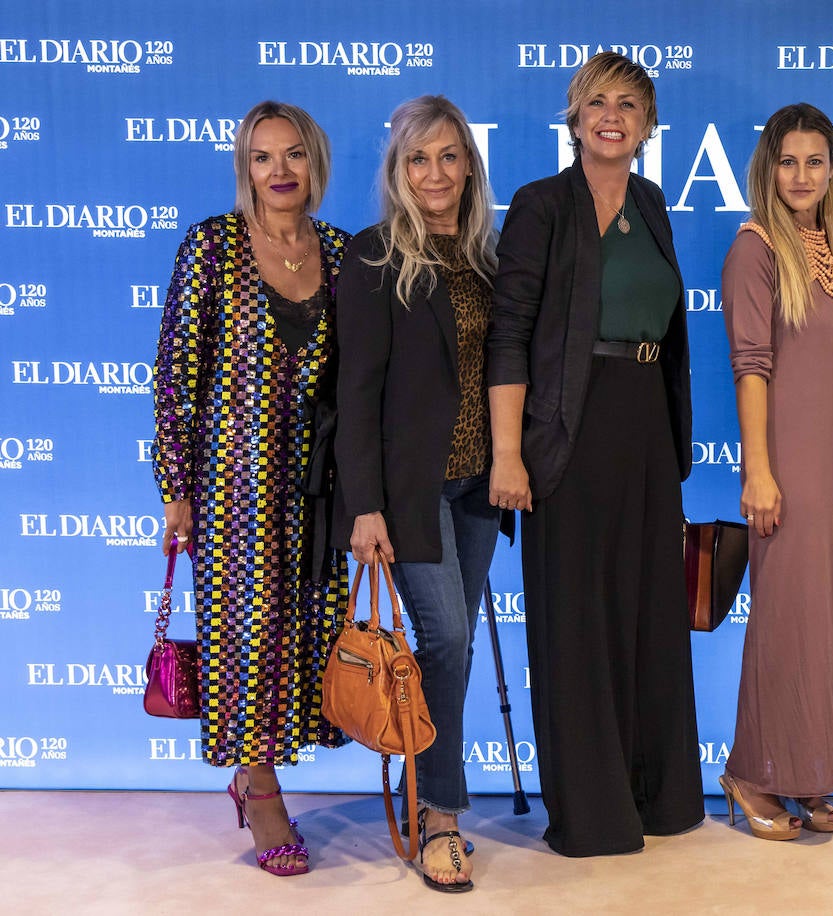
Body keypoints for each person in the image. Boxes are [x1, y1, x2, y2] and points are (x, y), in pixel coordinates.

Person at [486, 51, 704, 857]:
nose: (613, 115)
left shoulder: (651, 203)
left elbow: (669, 325)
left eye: (630, 104)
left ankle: (660, 796)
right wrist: (509, 453)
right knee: (576, 622)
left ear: (647, 126)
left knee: (648, 614)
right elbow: (509, 335)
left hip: (647, 428)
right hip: (566, 435)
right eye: (597, 102)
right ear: (575, 118)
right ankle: (594, 811)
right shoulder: (543, 205)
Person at [152, 100, 350, 877]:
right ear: (245, 167)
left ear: (315, 163)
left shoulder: (339, 252)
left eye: (293, 155)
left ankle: (270, 762)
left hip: (319, 479)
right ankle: (258, 785)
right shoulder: (213, 246)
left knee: (306, 628)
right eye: (263, 157)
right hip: (233, 481)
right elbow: (174, 377)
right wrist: (177, 489)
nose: (280, 172)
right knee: (245, 633)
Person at [334, 95, 506, 892]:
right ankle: (441, 817)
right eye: (418, 158)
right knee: (445, 642)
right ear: (398, 170)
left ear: (468, 163)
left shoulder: (489, 255)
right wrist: (363, 503)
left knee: (451, 651)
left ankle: (430, 796)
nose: (435, 172)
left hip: (479, 488)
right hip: (410, 492)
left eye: (448, 156)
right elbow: (356, 391)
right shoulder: (372, 257)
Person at [718, 103, 833, 840]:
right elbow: (751, 368)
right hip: (790, 468)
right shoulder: (754, 248)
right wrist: (759, 471)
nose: (801, 175)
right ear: (767, 168)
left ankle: (811, 772)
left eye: (815, 161)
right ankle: (750, 771)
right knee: (788, 619)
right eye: (788, 160)